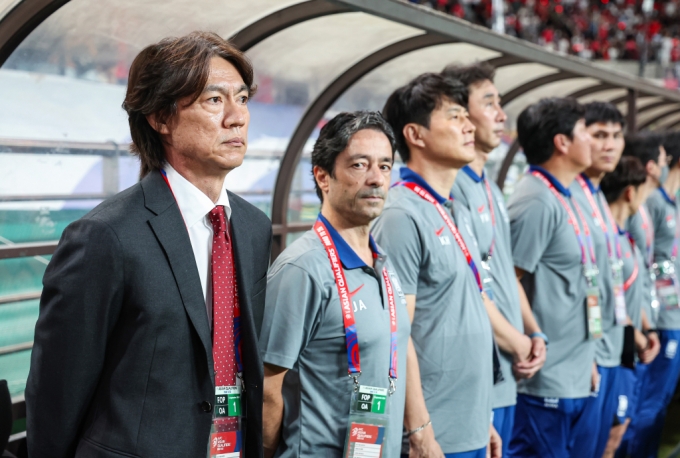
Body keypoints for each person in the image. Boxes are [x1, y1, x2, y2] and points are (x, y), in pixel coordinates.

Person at [25, 32, 272, 458]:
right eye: (215, 100)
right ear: (161, 117)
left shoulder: (252, 227)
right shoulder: (106, 235)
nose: (237, 117)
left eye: (243, 99)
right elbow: (57, 391)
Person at [260, 111, 411, 458]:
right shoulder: (302, 269)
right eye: (359, 165)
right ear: (323, 177)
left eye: (385, 166)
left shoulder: (382, 262)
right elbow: (269, 386)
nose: (376, 179)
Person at [373, 73, 500, 458]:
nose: (468, 126)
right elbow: (398, 335)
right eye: (455, 116)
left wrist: (483, 416)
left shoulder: (450, 207)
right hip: (434, 434)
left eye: (467, 116)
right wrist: (421, 432)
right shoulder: (400, 214)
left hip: (470, 423)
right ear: (416, 134)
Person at [443, 62, 546, 455]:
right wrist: (518, 341)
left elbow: (505, 273)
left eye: (500, 103)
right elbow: (468, 288)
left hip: (506, 369)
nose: (502, 115)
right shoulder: (451, 191)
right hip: (480, 372)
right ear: (461, 117)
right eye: (489, 103)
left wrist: (533, 332)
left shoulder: (490, 187)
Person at [506, 98, 598, 457]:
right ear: (562, 143)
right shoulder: (536, 201)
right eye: (584, 132)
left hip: (574, 370)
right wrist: (534, 335)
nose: (590, 140)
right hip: (546, 379)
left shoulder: (568, 193)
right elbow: (506, 281)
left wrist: (586, 357)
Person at [566, 102, 626, 457]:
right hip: (581, 356)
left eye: (616, 136)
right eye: (600, 135)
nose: (610, 145)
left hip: (606, 347)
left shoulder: (597, 195)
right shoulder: (566, 194)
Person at [600, 155, 660, 458]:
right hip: (615, 348)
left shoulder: (624, 237)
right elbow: (612, 301)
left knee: (619, 427)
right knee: (611, 436)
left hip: (628, 348)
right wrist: (638, 336)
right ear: (629, 192)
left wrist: (646, 328)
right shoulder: (608, 240)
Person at [629, 131, 680, 457]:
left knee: (659, 403)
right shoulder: (651, 203)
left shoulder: (669, 201)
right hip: (658, 318)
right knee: (647, 403)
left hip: (671, 315)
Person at [618, 132, 666, 457]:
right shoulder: (638, 206)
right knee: (625, 420)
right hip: (624, 330)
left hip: (642, 320)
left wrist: (646, 325)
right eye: (662, 160)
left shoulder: (647, 206)